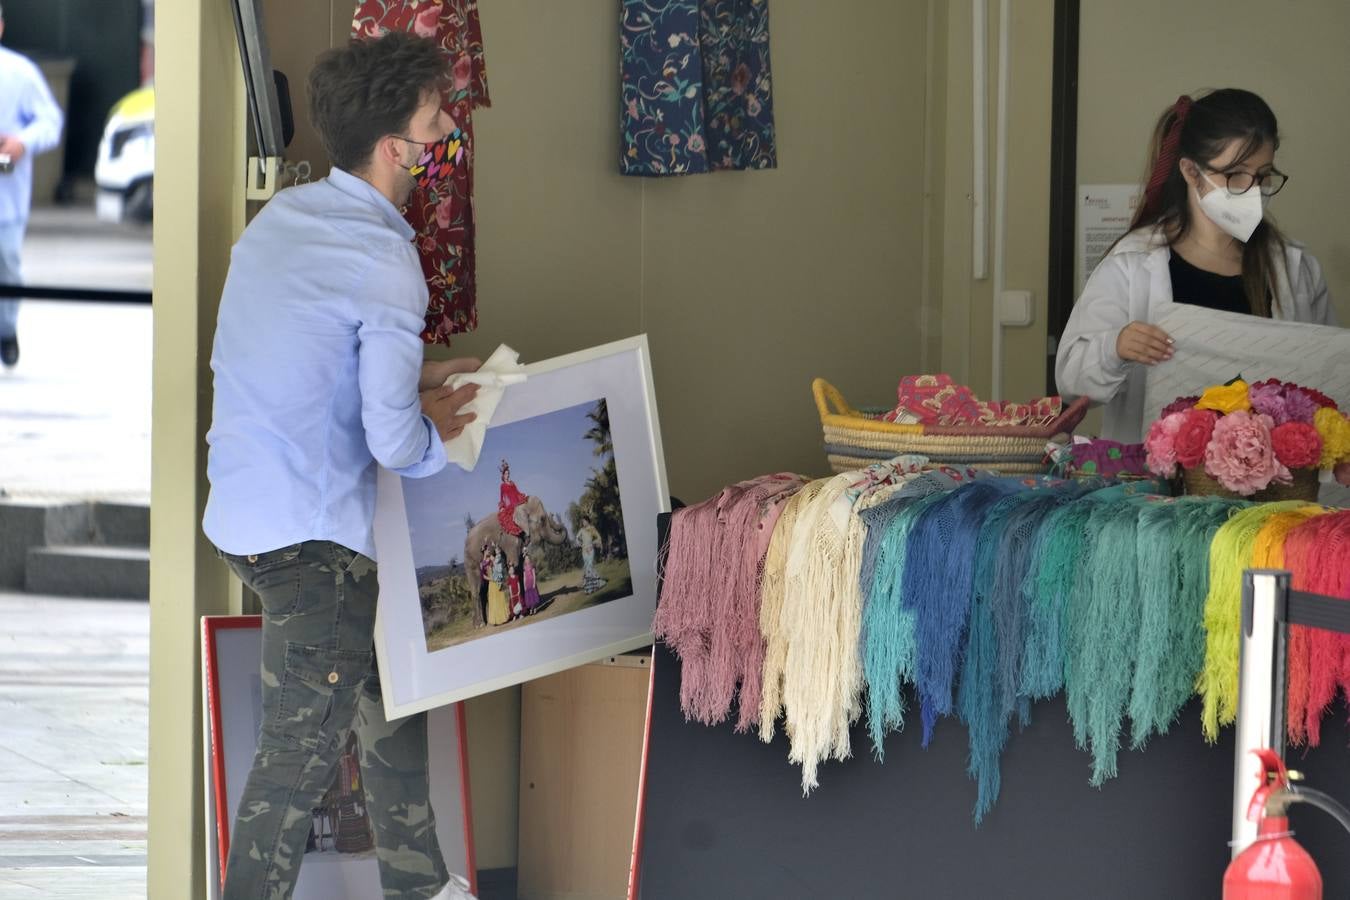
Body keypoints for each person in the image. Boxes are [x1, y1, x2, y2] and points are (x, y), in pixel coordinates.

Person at [201, 33, 482, 900]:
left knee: (389, 696)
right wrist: (453, 431)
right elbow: (394, 442)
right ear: (397, 148)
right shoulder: (384, 258)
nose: (448, 139)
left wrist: (421, 377)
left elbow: (308, 359)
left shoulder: (285, 219)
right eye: (438, 124)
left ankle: (421, 885)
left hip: (248, 515)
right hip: (315, 543)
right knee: (297, 762)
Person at [1056, 89, 1337, 443]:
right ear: (1191, 171)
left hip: (1269, 486)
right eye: (1235, 174)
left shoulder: (1294, 269)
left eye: (1263, 175)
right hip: (1157, 482)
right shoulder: (1132, 264)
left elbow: (1328, 378)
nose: (1252, 190)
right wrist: (1116, 347)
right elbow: (1071, 383)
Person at [0, 3, 64, 368]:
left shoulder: (20, 74)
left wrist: (21, 141)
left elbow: (50, 121)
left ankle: (6, 331)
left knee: (6, 266)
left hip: (5, 201)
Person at [576, 515, 606, 594]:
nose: (583, 523)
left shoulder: (592, 528)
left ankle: (594, 586)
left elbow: (599, 537)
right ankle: (591, 588)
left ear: (588, 520)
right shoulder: (581, 530)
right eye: (582, 522)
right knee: (587, 568)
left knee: (590, 566)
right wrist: (581, 545)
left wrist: (592, 544)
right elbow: (577, 538)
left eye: (584, 521)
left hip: (591, 550)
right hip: (584, 551)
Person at [486, 547, 510, 626]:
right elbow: (483, 572)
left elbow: (498, 557)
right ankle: (494, 620)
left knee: (500, 600)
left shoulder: (497, 561)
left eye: (492, 556)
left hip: (497, 583)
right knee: (493, 601)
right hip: (491, 584)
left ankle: (502, 618)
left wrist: (496, 548)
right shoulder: (488, 563)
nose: (491, 557)